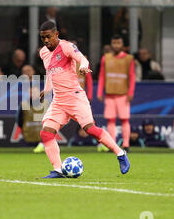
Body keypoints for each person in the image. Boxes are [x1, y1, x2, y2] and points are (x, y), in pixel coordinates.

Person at [38, 21, 130, 178]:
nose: (46, 41)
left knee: (91, 130)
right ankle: (59, 170)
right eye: (43, 38)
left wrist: (82, 66)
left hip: (75, 98)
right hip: (59, 101)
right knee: (46, 134)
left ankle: (120, 153)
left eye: (48, 37)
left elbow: (82, 59)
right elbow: (50, 72)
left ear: (56, 34)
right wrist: (46, 90)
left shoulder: (66, 46)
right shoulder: (43, 52)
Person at [97, 34, 136, 152]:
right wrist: (99, 91)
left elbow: (132, 76)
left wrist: (131, 92)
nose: (116, 45)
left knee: (125, 119)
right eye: (114, 43)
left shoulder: (128, 58)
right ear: (111, 44)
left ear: (122, 44)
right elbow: (102, 76)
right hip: (109, 94)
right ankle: (113, 145)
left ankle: (126, 144)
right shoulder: (106, 58)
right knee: (111, 120)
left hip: (123, 94)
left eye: (118, 43)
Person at [17, 86, 45, 153]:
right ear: (29, 94)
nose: (34, 94)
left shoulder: (45, 104)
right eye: (32, 92)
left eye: (36, 92)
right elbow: (19, 119)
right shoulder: (23, 105)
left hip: (42, 138)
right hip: (28, 137)